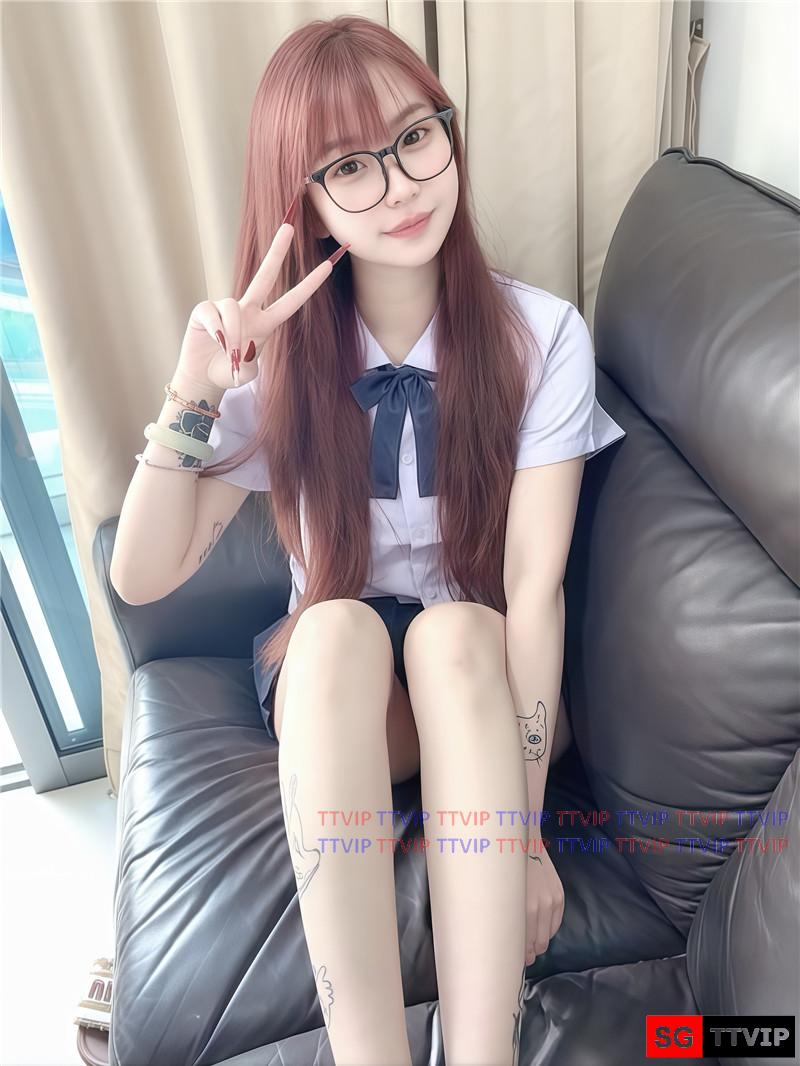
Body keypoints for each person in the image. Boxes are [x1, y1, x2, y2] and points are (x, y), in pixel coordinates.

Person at [110, 14, 626, 1066]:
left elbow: (532, 589)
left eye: (414, 138)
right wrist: (195, 389)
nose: (398, 186)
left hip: (478, 686)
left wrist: (526, 839)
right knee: (337, 628)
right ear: (302, 199)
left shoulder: (540, 338)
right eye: (350, 165)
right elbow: (143, 574)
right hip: (341, 700)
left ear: (447, 133)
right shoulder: (283, 365)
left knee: (456, 630)